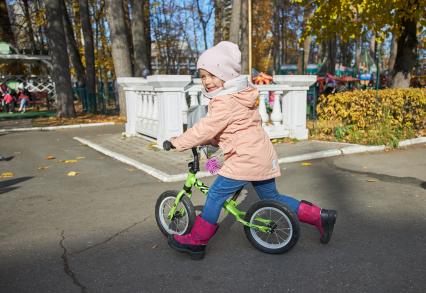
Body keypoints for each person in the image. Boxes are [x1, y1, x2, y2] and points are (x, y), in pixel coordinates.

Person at [166, 41, 337, 260]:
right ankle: (320, 217)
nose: (207, 81)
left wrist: (178, 141)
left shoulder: (224, 101)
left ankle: (197, 241)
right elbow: (229, 129)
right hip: (261, 155)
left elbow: (205, 127)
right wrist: (212, 144)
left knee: (216, 195)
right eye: (203, 76)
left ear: (226, 76)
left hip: (245, 159)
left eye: (212, 75)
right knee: (272, 196)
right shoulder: (241, 96)